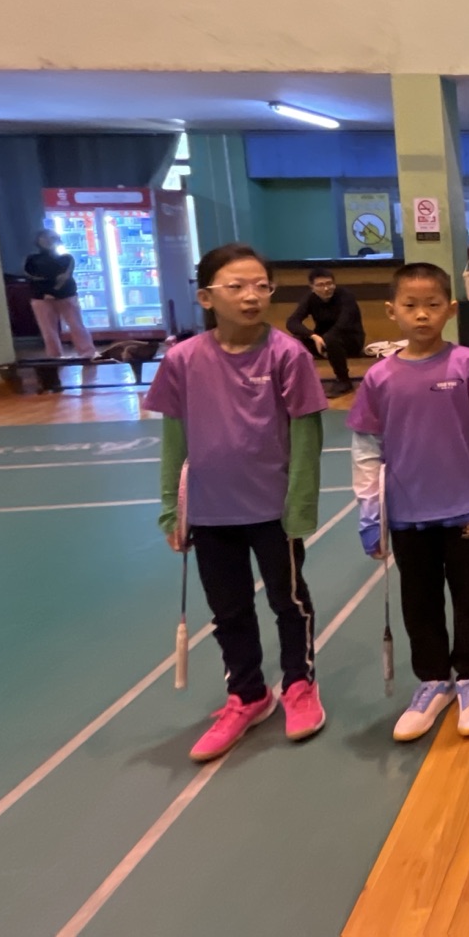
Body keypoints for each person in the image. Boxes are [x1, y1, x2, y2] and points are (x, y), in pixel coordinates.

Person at [146, 243, 328, 763]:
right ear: (207, 297)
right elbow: (174, 441)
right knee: (228, 610)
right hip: (209, 511)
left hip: (272, 510)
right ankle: (248, 695)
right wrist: (172, 509)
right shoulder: (182, 360)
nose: (251, 297)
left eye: (261, 286)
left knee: (289, 602)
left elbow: (307, 437)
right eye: (237, 287)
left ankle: (299, 685)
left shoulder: (288, 355)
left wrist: (299, 507)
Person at [350, 262, 469, 743]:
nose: (421, 314)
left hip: (464, 510)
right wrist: (371, 516)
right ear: (391, 311)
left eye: (432, 305)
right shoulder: (379, 378)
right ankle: (434, 680)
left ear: (450, 309)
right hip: (407, 515)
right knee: (419, 600)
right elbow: (367, 449)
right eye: (410, 305)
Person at [286, 268, 366, 397]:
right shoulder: (310, 298)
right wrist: (313, 336)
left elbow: (343, 323)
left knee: (331, 338)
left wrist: (324, 340)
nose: (326, 288)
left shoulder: (346, 296)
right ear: (312, 287)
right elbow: (292, 322)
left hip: (350, 341)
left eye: (329, 284)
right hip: (322, 341)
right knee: (296, 340)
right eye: (320, 285)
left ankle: (344, 381)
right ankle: (301, 379)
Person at [23, 230, 95, 359]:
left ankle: (87, 353)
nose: (48, 241)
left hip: (65, 296)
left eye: (52, 238)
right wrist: (47, 291)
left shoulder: (67, 258)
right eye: (44, 238)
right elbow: (31, 277)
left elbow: (64, 277)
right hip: (41, 298)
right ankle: (54, 356)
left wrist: (50, 291)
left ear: (58, 240)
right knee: (48, 330)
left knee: (76, 326)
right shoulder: (31, 259)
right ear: (38, 241)